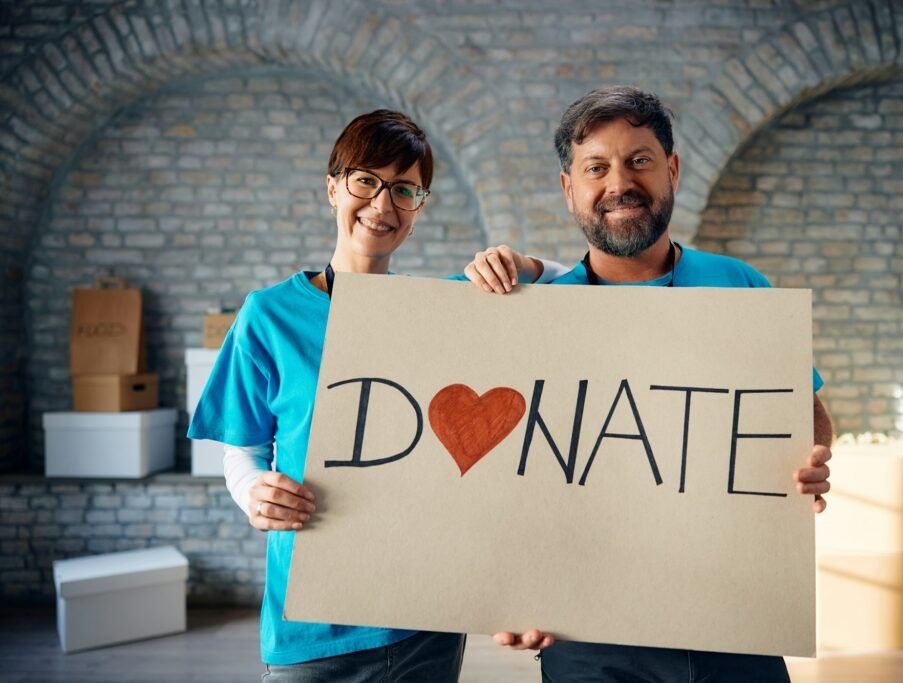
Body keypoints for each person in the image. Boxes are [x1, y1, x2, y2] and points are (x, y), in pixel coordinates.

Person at [464, 86, 833, 683]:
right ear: (569, 189)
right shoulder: (532, 317)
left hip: (738, 621)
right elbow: (507, 479)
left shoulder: (741, 286)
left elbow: (806, 409)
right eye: (596, 168)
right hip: (589, 636)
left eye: (639, 160)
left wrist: (812, 458)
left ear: (673, 170)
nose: (619, 183)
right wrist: (510, 590)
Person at [187, 109, 561, 682]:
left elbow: (575, 282)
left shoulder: (441, 308)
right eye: (366, 181)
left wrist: (521, 261)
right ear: (333, 187)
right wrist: (251, 492)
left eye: (405, 190)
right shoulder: (269, 315)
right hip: (313, 628)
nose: (383, 205)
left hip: (424, 620)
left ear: (419, 207)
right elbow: (242, 449)